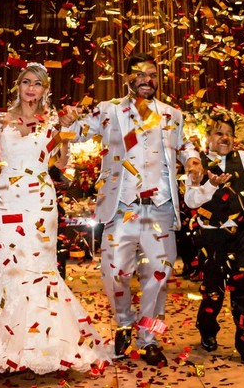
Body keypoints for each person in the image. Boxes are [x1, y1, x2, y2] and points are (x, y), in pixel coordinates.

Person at [0, 63, 111, 374]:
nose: (31, 88)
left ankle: (47, 343)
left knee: (40, 266)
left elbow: (61, 163)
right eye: (26, 82)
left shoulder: (52, 121)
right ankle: (3, 346)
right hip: (5, 199)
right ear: (18, 85)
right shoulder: (0, 119)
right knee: (7, 265)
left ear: (45, 90)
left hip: (39, 200)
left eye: (37, 84)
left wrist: (65, 136)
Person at [64, 54, 195, 366]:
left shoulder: (172, 114)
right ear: (127, 78)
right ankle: (124, 322)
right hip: (121, 207)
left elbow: (184, 146)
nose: (147, 80)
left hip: (160, 208)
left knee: (158, 278)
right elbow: (77, 132)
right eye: (140, 74)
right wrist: (68, 121)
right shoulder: (108, 110)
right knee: (113, 274)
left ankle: (149, 339)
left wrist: (192, 160)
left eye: (152, 74)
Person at [184, 114, 244, 366]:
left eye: (229, 133)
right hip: (211, 236)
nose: (225, 138)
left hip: (241, 233)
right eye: (219, 133)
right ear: (208, 136)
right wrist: (209, 185)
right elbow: (191, 201)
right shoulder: (197, 161)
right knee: (213, 291)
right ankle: (207, 329)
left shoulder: (243, 157)